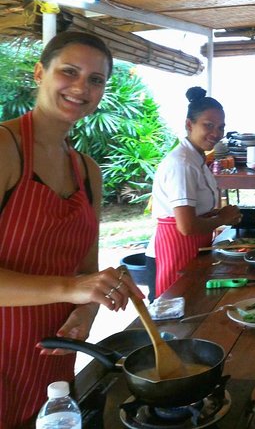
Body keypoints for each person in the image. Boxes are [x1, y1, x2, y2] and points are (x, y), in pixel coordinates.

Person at [0, 31, 145, 427]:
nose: (82, 87)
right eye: (69, 71)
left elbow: (86, 266)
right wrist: (71, 289)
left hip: (54, 353)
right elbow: (74, 281)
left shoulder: (86, 170)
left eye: (96, 80)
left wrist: (85, 309)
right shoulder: (4, 148)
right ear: (39, 73)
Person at [148, 87, 241, 297]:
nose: (216, 133)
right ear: (189, 125)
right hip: (175, 250)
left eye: (220, 127)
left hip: (193, 247)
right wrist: (222, 218)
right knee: (179, 309)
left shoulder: (196, 158)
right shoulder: (182, 164)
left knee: (194, 302)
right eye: (208, 125)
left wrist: (220, 215)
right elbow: (187, 226)